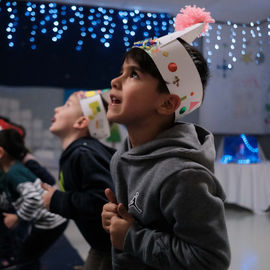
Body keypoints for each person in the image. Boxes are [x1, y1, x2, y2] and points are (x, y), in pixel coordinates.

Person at [101, 6, 231, 270]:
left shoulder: (182, 175)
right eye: (122, 72)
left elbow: (211, 260)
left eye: (133, 74)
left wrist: (132, 237)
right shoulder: (121, 157)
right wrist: (116, 220)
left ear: (167, 103)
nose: (116, 81)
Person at [42, 90, 115, 270]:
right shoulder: (82, 152)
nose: (56, 109)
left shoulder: (83, 154)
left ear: (81, 122)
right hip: (101, 246)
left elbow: (100, 200)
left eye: (67, 105)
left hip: (110, 250)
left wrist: (57, 199)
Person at [0, 129, 67, 270]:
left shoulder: (13, 173)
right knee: (28, 254)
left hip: (51, 222)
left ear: (1, 153)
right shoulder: (12, 169)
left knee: (26, 257)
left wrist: (17, 217)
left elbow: (32, 198)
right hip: (50, 220)